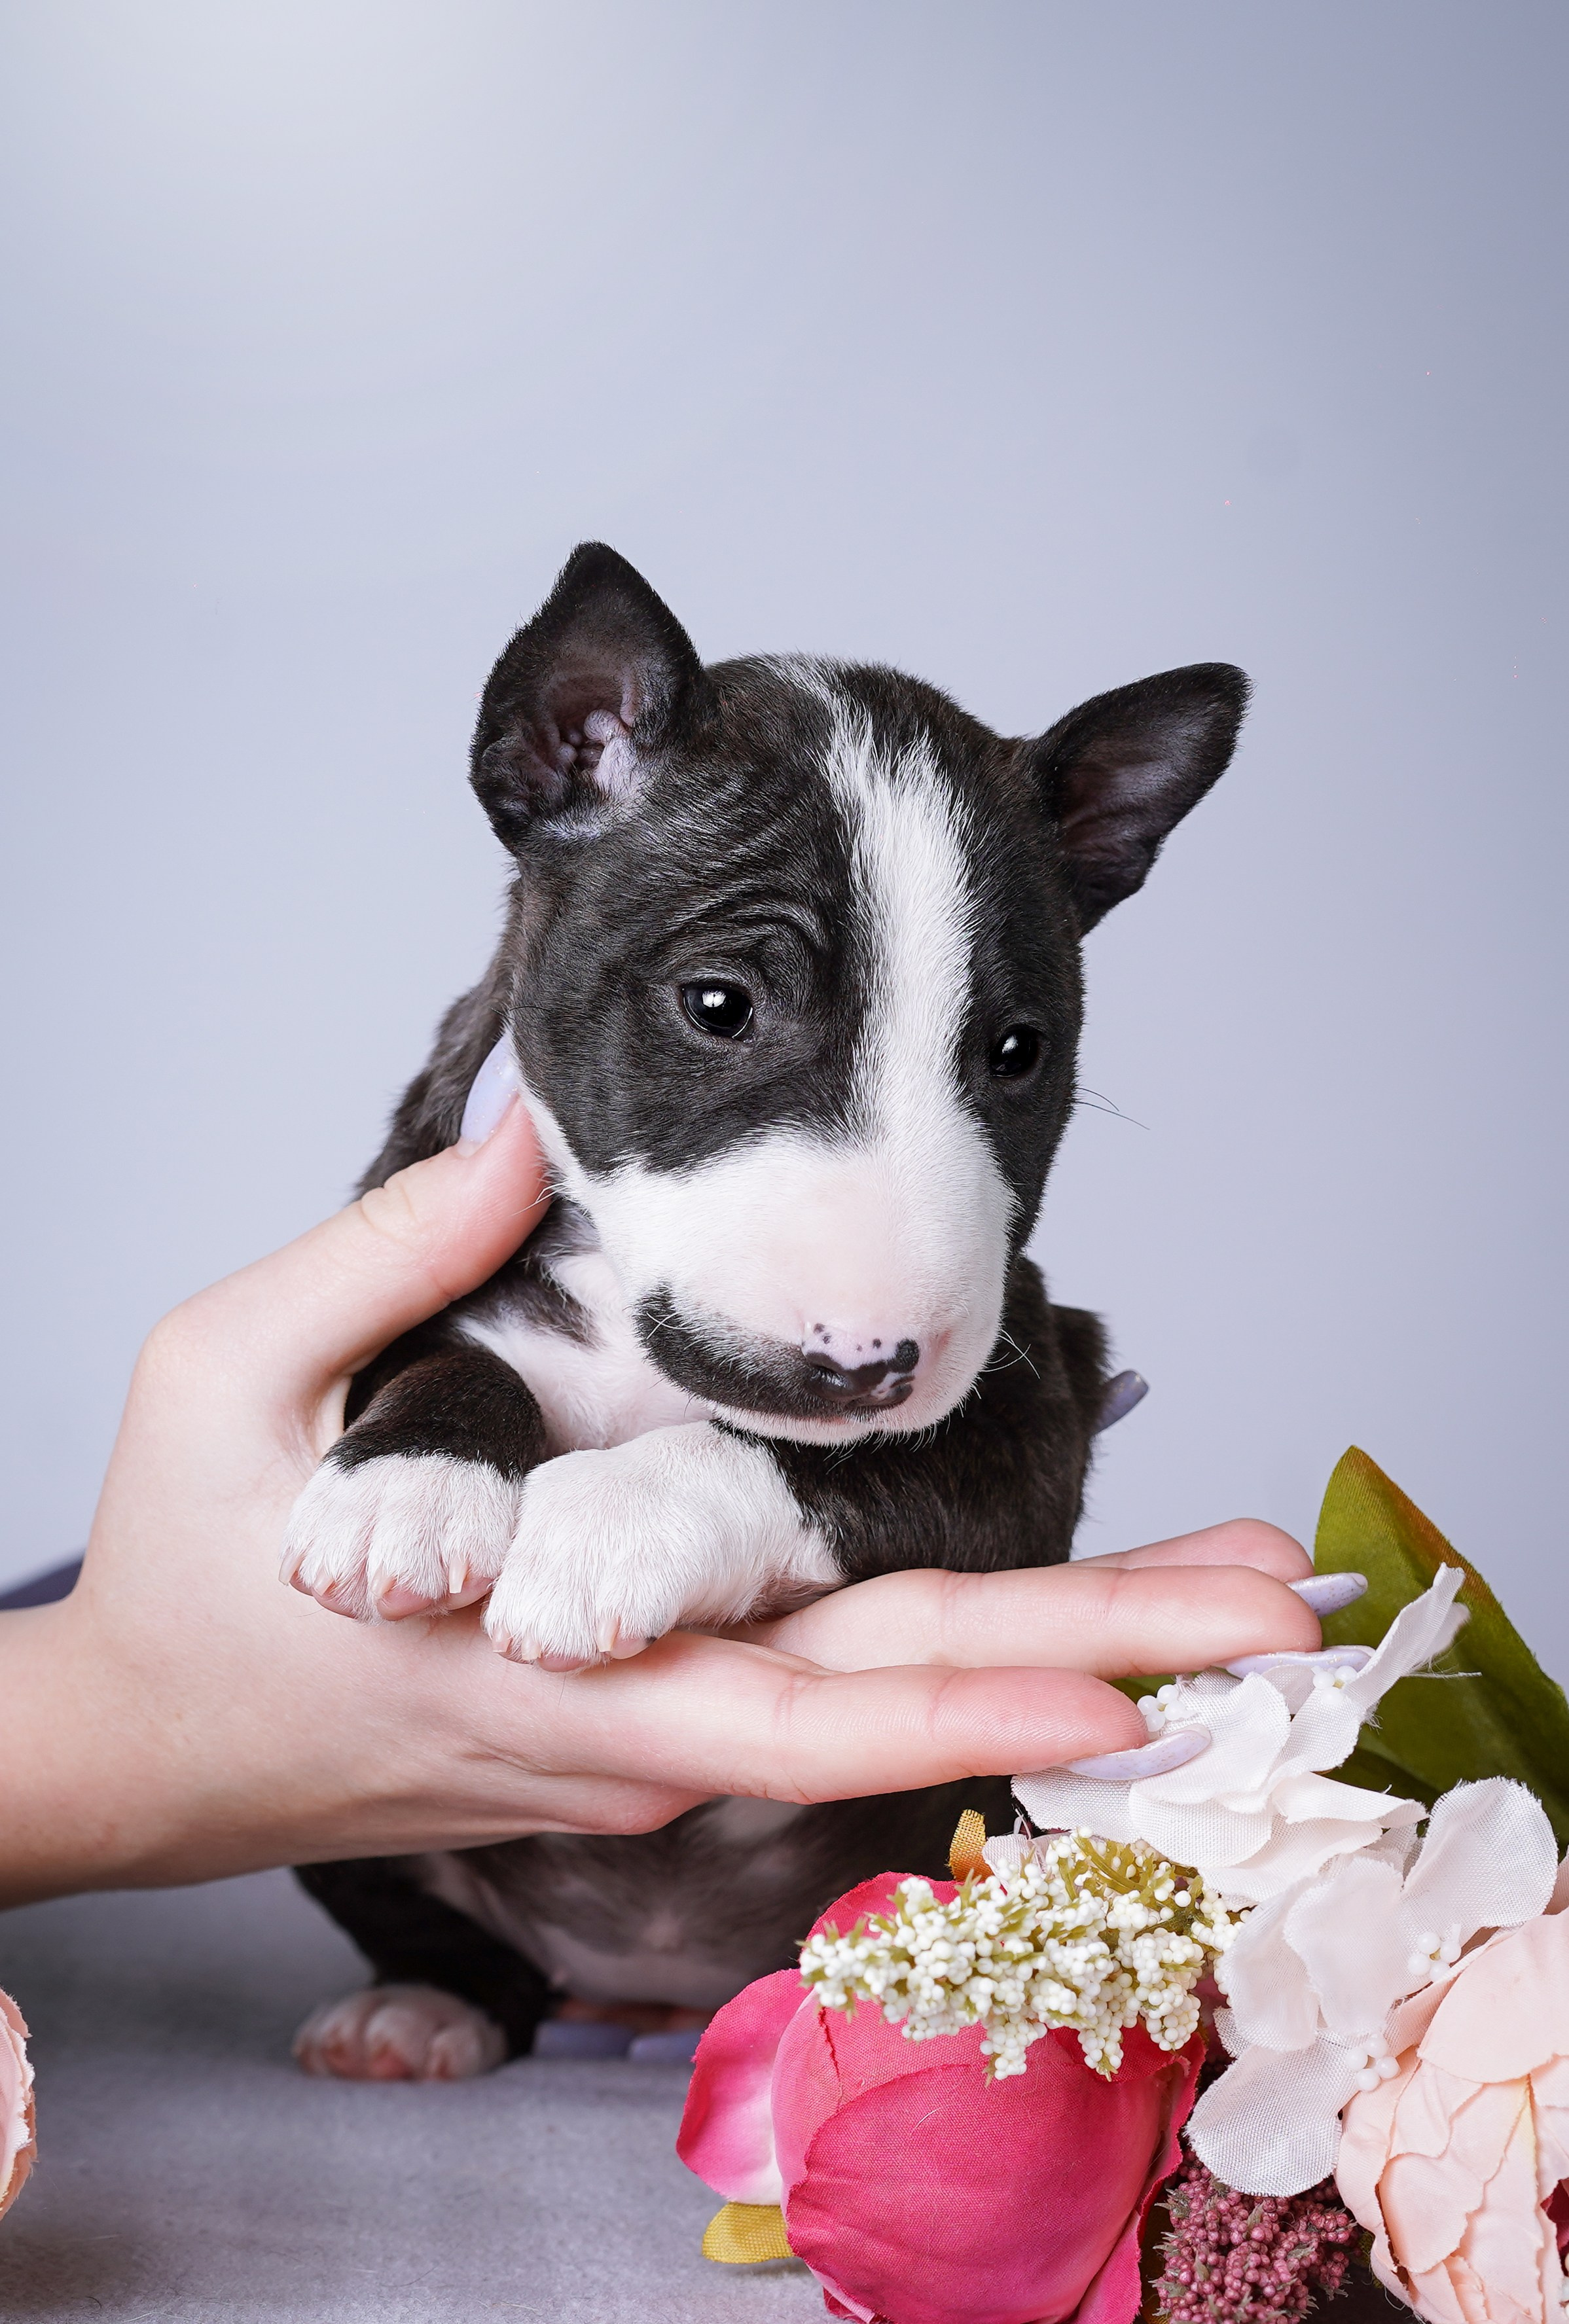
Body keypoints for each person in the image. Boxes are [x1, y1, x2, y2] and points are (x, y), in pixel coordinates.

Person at [0, 1094, 1320, 1910]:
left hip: (851, 1905)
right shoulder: (506, 1247)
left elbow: (986, 1493)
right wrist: (123, 1706)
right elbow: (435, 1377)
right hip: (485, 1894)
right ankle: (466, 1977)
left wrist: (730, 1498)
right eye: (723, 1011)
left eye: (1008, 1056)